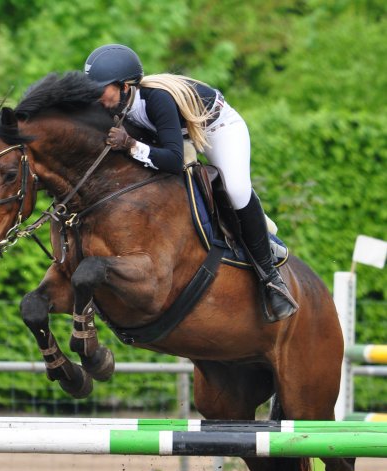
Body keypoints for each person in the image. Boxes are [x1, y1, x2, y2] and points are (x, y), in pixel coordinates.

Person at [84, 44, 298, 322]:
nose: (96, 97)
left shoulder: (156, 100)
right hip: (177, 133)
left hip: (218, 128)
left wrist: (131, 145)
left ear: (125, 87)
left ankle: (271, 278)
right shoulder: (113, 102)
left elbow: (173, 159)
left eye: (100, 89)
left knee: (235, 190)